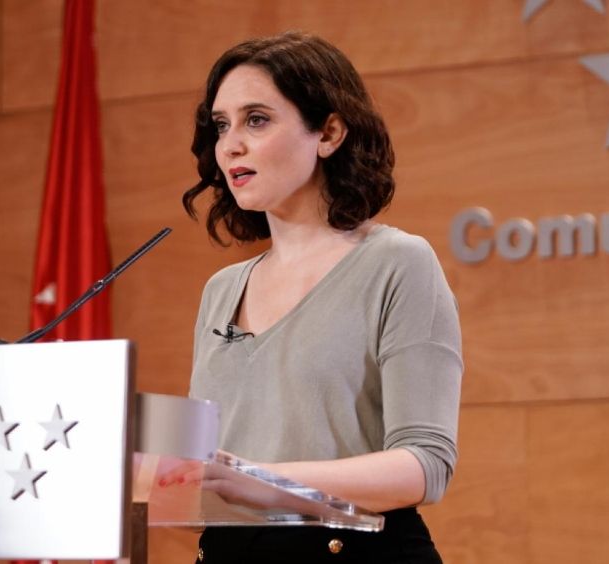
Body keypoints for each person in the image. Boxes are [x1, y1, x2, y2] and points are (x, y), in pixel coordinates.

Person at [181, 31, 463, 564]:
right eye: (221, 125)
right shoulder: (220, 290)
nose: (231, 145)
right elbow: (203, 479)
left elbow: (425, 466)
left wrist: (264, 482)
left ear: (329, 132)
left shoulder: (397, 262)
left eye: (256, 119)